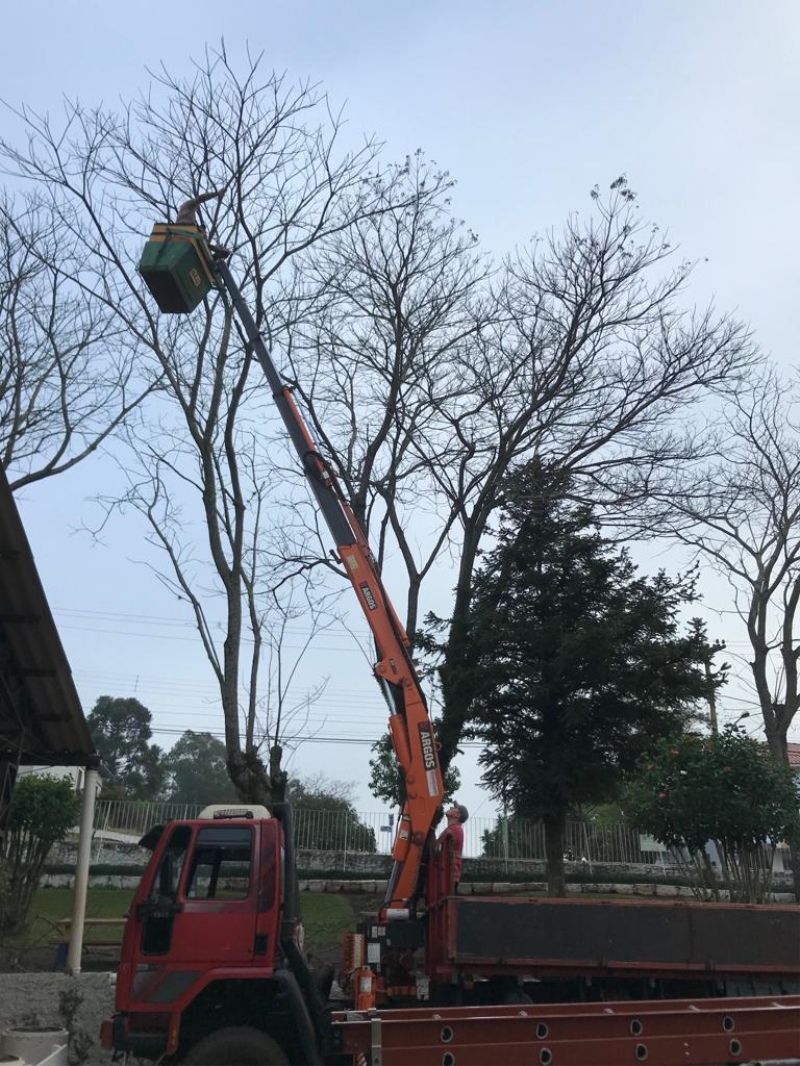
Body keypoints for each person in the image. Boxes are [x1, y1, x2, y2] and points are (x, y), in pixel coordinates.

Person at [437, 803, 469, 889]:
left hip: (449, 876)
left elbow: (437, 846)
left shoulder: (454, 829)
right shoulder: (453, 829)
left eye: (455, 808)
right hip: (448, 875)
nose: (451, 807)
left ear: (457, 815)